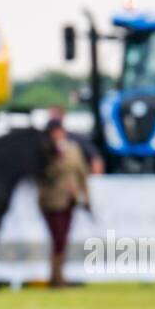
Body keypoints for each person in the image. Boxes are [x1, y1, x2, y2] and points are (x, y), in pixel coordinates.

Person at [37, 117, 90, 288]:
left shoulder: (73, 148)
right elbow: (47, 174)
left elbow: (81, 172)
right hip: (52, 200)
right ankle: (57, 277)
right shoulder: (45, 152)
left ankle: (58, 276)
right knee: (58, 237)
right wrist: (56, 156)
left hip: (70, 198)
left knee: (63, 238)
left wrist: (86, 196)